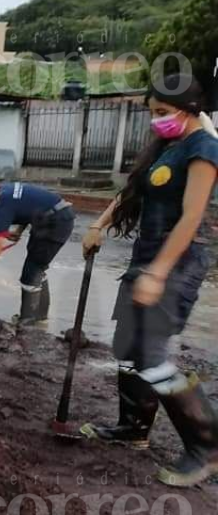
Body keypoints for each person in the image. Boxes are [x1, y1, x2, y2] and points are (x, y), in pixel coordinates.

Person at [80, 74, 218, 487]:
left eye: (161, 112)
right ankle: (133, 429)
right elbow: (131, 191)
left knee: (153, 357)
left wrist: (159, 273)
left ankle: (207, 448)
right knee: (128, 345)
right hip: (144, 259)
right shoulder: (168, 148)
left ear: (190, 109)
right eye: (152, 113)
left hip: (177, 265)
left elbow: (192, 217)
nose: (155, 121)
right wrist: (98, 226)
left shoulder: (203, 148)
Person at [0, 181, 75, 324]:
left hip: (56, 222)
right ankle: (40, 317)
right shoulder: (2, 190)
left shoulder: (0, 206)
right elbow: (26, 205)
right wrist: (19, 231)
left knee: (30, 273)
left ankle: (28, 321)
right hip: (49, 218)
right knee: (37, 266)